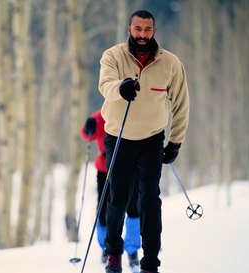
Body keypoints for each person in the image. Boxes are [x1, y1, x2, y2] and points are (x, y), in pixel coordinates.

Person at [98, 10, 189, 273]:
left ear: (154, 31)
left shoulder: (170, 63)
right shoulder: (112, 56)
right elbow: (105, 84)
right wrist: (121, 88)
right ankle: (113, 253)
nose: (142, 34)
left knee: (150, 199)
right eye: (137, 29)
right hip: (119, 137)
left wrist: (175, 141)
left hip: (151, 139)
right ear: (129, 29)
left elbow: (181, 104)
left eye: (147, 30)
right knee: (118, 198)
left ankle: (150, 262)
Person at [81, 109, 141, 272]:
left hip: (131, 167)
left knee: (133, 208)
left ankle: (132, 250)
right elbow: (88, 134)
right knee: (104, 210)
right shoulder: (103, 114)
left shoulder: (133, 110)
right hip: (105, 169)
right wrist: (89, 126)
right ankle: (107, 248)